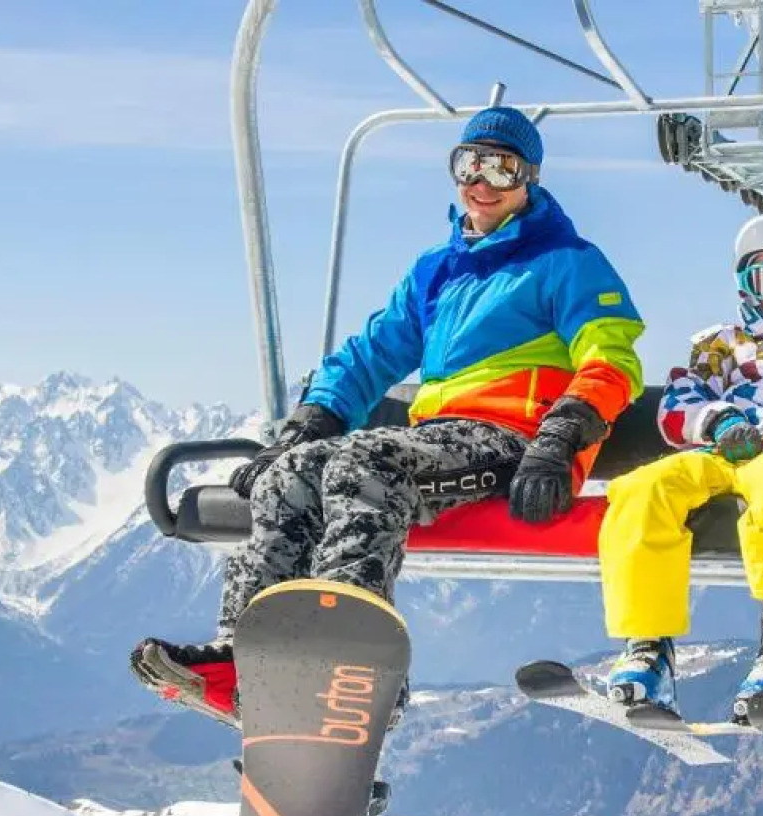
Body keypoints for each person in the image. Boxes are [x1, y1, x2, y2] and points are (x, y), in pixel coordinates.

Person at [131, 106, 645, 730]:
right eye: (469, 164)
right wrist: (307, 427)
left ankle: (352, 667)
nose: (481, 182)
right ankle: (245, 654)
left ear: (529, 178)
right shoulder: (437, 270)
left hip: (516, 441)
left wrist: (560, 440)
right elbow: (369, 355)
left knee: (364, 466)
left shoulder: (567, 262)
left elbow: (612, 360)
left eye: (501, 169)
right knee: (289, 474)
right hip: (438, 440)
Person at [598, 210, 763, 714]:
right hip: (725, 452)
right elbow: (678, 404)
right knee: (641, 489)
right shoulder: (720, 346)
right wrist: (718, 420)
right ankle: (647, 644)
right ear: (745, 285)